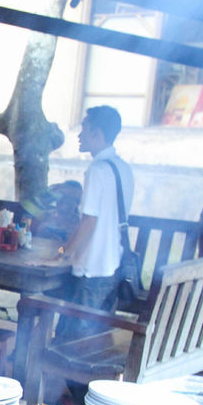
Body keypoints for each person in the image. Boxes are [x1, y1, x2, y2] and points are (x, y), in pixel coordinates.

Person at [57, 105, 134, 341]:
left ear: (98, 133)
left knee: (70, 340)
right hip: (113, 265)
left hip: (92, 266)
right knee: (94, 338)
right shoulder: (123, 168)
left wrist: (63, 253)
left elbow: (89, 222)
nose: (79, 135)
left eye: (84, 129)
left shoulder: (97, 171)